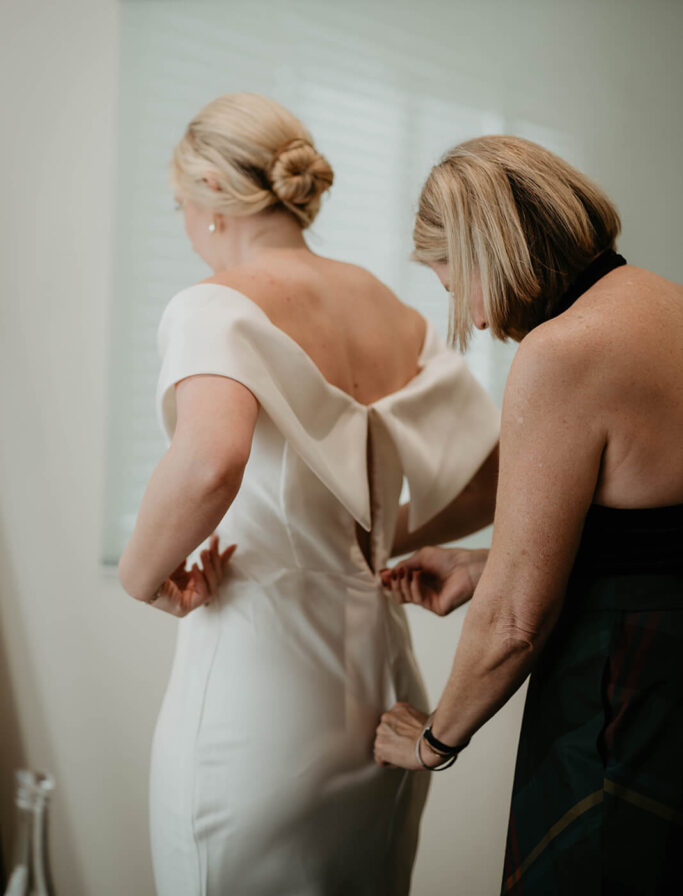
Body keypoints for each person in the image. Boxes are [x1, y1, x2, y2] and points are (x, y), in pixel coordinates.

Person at [116, 93, 501, 896]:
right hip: (382, 690)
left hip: (258, 695)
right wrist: (361, 544)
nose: (184, 223)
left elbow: (209, 461)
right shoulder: (393, 311)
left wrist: (138, 574)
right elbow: (493, 478)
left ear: (212, 197)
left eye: (180, 204)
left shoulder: (212, 306)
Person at [374, 135, 683, 895]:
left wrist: (433, 739)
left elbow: (516, 622)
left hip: (622, 709)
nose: (470, 319)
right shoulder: (664, 304)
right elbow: (649, 540)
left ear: (484, 251)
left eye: (450, 285)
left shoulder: (562, 353)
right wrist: (484, 566)